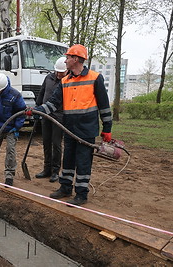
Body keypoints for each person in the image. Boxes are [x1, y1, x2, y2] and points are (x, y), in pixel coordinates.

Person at [27, 44, 112, 206]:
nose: (65, 61)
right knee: (68, 160)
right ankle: (65, 188)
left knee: (83, 162)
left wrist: (107, 129)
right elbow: (52, 104)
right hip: (69, 128)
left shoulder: (95, 78)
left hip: (86, 130)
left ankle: (81, 194)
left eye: (67, 58)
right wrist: (36, 110)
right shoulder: (65, 81)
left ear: (76, 59)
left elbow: (104, 106)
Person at [35, 57, 68, 183]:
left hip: (59, 116)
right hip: (45, 115)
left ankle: (55, 171)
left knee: (56, 144)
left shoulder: (67, 81)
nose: (59, 74)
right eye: (58, 72)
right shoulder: (48, 78)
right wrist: (37, 109)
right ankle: (47, 169)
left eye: (62, 72)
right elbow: (42, 93)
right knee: (46, 142)